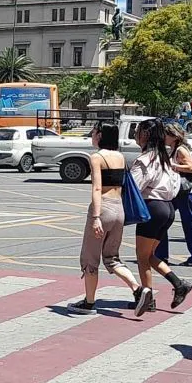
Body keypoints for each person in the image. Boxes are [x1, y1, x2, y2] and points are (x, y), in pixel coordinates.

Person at [69, 122, 151, 317]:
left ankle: (89, 303)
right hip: (119, 210)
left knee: (90, 260)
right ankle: (139, 290)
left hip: (103, 209)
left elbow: (97, 188)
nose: (92, 135)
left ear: (100, 135)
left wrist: (96, 217)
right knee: (112, 258)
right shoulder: (120, 157)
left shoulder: (96, 157)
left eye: (94, 132)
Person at [131, 118, 192, 313]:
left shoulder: (145, 160)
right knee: (149, 255)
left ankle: (147, 298)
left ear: (145, 135)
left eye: (138, 131)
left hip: (152, 207)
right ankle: (178, 283)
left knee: (142, 257)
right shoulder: (164, 157)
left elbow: (134, 187)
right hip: (167, 207)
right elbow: (174, 183)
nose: (135, 134)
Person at [156, 122, 192, 267]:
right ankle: (161, 254)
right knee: (163, 219)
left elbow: (191, 168)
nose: (163, 137)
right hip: (176, 191)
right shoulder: (172, 149)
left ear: (174, 136)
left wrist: (173, 166)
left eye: (166, 134)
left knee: (189, 223)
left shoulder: (181, 150)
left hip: (185, 191)